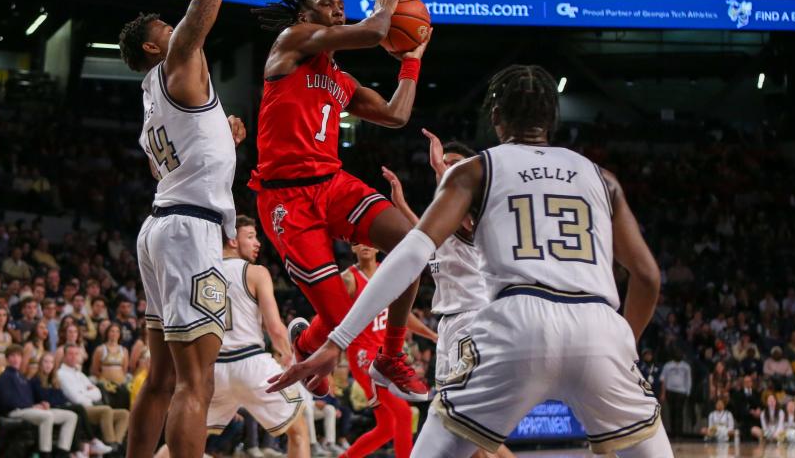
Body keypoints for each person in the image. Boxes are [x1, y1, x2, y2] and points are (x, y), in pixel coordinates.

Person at [269, 65, 671, 457]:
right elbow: (648, 277)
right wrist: (623, 343)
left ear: (495, 117)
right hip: (598, 325)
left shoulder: (476, 169)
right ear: (553, 117)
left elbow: (411, 252)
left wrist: (338, 340)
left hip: (516, 323)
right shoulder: (603, 178)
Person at [118, 0, 256, 458]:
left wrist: (219, 141)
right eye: (166, 30)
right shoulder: (177, 59)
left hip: (161, 227)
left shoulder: (151, 101)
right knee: (196, 382)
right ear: (154, 46)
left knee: (163, 379)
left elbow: (166, 162)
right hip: (190, 234)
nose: (179, 30)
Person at [248, 0, 430, 400]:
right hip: (286, 199)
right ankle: (306, 343)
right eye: (328, 4)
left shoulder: (342, 81)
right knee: (343, 320)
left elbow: (396, 115)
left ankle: (392, 355)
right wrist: (386, 10)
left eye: (341, 7)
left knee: (414, 247)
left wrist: (412, 58)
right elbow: (371, 33)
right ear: (305, 12)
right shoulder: (291, 42)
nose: (337, 11)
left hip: (332, 185)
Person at [382, 133, 516, 458]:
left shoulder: (476, 213)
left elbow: (455, 221)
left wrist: (441, 169)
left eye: (455, 166)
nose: (447, 170)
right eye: (445, 166)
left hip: (473, 323)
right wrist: (400, 205)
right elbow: (427, 237)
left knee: (465, 426)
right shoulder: (445, 221)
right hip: (451, 327)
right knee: (465, 430)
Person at [206, 215, 309, 457]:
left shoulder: (203, 272)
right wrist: (288, 355)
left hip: (215, 368)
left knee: (188, 437)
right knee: (299, 430)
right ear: (232, 239)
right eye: (250, 236)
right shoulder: (256, 272)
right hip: (252, 363)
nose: (257, 243)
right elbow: (274, 327)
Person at [339, 243, 437, 458]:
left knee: (387, 427)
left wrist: (431, 335)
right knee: (403, 413)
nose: (363, 245)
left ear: (376, 247)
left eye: (367, 241)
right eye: (357, 242)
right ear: (352, 248)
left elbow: (401, 315)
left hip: (384, 354)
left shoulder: (387, 272)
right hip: (363, 356)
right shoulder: (348, 278)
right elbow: (332, 314)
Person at [0, 344, 79, 458]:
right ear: (7, 359)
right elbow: (9, 401)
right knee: (47, 416)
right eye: (12, 356)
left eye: (18, 356)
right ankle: (45, 454)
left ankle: (62, 453)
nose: (16, 359)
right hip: (15, 411)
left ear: (22, 358)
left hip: (29, 409)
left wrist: (39, 404)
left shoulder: (21, 377)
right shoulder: (5, 377)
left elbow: (29, 398)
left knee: (71, 416)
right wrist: (32, 406)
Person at [31, 352, 111, 457]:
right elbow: (43, 398)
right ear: (40, 364)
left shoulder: (54, 380)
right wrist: (53, 400)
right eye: (45, 362)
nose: (48, 365)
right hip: (47, 408)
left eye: (51, 362)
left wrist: (54, 399)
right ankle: (92, 441)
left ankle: (77, 449)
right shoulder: (35, 380)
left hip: (58, 406)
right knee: (78, 408)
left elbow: (61, 397)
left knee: (77, 415)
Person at [58, 343, 130, 448]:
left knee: (124, 414)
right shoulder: (61, 374)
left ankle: (116, 445)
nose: (74, 356)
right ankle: (110, 442)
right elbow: (76, 398)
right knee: (106, 410)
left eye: (76, 354)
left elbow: (98, 393)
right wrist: (88, 393)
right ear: (64, 356)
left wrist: (84, 393)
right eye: (70, 354)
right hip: (80, 409)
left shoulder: (79, 374)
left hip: (92, 406)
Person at [660, 351, 692, 438]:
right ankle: (673, 432)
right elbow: (663, 379)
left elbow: (688, 379)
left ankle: (679, 433)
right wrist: (663, 393)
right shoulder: (668, 365)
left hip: (681, 392)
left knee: (680, 413)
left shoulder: (686, 366)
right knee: (672, 412)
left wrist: (687, 392)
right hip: (670, 391)